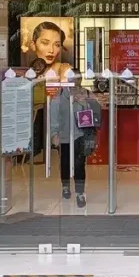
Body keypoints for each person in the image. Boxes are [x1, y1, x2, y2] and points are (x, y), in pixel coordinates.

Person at [50, 71, 101, 208]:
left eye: (78, 79)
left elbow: (97, 110)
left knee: (79, 164)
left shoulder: (87, 93)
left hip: (81, 135)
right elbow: (53, 115)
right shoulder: (60, 95)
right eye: (73, 79)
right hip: (64, 136)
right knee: (65, 163)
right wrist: (54, 134)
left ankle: (80, 193)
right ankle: (65, 186)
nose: (75, 82)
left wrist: (86, 102)